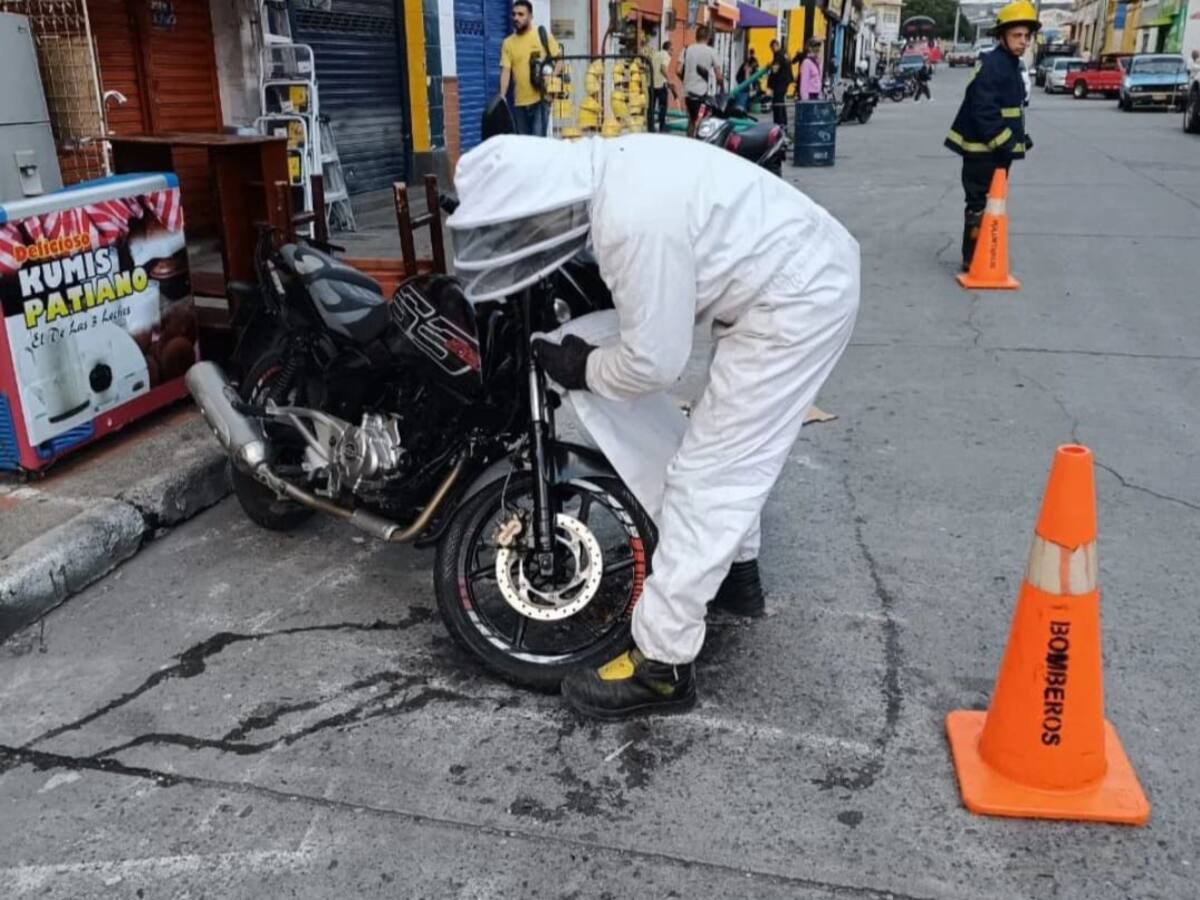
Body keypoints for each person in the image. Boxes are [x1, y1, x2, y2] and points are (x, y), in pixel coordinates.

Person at [446, 134, 860, 720]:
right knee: (709, 452)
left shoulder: (628, 219)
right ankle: (734, 574)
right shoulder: (610, 172)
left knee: (711, 476)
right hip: (789, 273)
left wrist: (582, 368)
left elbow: (654, 362)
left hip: (797, 300)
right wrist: (585, 359)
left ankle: (661, 667)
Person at [945, 0, 1037, 270]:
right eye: (1017, 35)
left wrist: (1019, 138)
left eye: (1026, 36)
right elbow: (984, 111)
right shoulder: (993, 64)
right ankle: (972, 257)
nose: (1023, 42)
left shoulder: (1009, 64)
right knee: (977, 204)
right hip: (981, 153)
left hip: (996, 151)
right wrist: (1007, 142)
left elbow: (1009, 110)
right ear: (1002, 36)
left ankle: (984, 253)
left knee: (991, 203)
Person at [499, 0, 560, 136]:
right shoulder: (508, 43)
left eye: (521, 14)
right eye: (514, 14)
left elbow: (559, 60)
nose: (516, 18)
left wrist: (550, 79)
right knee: (524, 144)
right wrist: (502, 96)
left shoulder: (541, 36)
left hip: (541, 100)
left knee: (537, 142)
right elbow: (506, 71)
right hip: (519, 103)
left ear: (530, 17)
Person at [680, 25, 723, 137]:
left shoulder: (687, 49)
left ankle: (689, 144)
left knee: (691, 121)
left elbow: (678, 70)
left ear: (696, 36)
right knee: (703, 122)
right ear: (708, 37)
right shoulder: (711, 51)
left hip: (687, 93)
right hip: (702, 95)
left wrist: (686, 80)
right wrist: (720, 86)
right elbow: (719, 76)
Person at [649, 40, 674, 133]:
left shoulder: (655, 54)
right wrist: (669, 80)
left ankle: (650, 127)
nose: (672, 52)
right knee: (662, 106)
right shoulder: (666, 55)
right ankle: (662, 127)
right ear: (668, 49)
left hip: (651, 84)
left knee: (651, 106)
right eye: (672, 50)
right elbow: (663, 68)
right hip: (661, 84)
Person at [767, 39, 792, 127]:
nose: (772, 51)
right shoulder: (785, 54)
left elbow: (775, 69)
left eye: (772, 48)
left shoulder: (778, 55)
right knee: (781, 103)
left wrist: (769, 66)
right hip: (784, 82)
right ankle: (783, 123)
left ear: (775, 46)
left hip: (779, 84)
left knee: (777, 104)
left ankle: (779, 124)